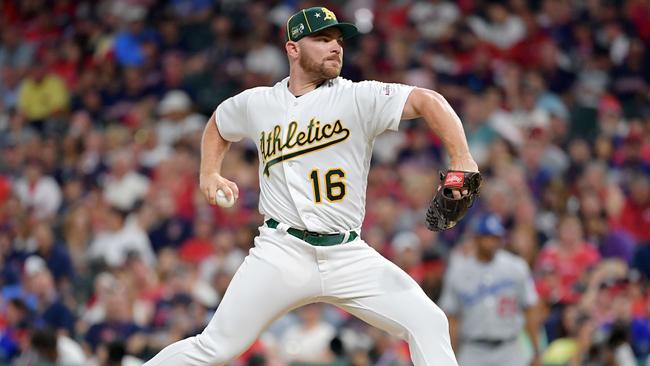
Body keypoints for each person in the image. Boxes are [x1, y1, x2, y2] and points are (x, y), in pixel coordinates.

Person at [145, 6, 478, 365]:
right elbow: (219, 123)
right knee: (215, 347)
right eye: (322, 39)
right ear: (292, 49)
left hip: (347, 253)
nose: (335, 47)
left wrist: (462, 158)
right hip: (280, 251)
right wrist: (209, 172)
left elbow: (429, 101)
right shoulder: (259, 103)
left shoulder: (356, 97)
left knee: (428, 321)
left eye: (338, 40)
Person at [439, 214, 541, 366]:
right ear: (476, 238)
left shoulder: (516, 267)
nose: (493, 242)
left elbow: (530, 310)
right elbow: (452, 320)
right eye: (488, 237)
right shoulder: (458, 272)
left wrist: (535, 350)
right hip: (473, 349)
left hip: (509, 348)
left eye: (496, 237)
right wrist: (450, 354)